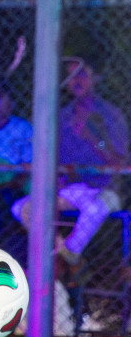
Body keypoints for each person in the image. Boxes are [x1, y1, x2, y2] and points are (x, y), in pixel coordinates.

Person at [13, 60, 128, 264]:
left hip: (105, 188)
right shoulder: (61, 116)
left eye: (81, 73)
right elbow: (55, 159)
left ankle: (67, 256)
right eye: (70, 75)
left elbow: (117, 161)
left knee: (95, 208)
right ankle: (61, 251)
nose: (75, 80)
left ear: (95, 77)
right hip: (73, 189)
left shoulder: (111, 115)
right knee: (21, 207)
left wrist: (94, 139)